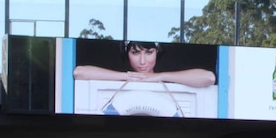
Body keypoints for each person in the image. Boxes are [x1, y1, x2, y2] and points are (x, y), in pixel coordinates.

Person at [73, 41, 216, 88]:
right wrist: (125, 76)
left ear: (157, 53)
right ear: (126, 54)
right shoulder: (124, 76)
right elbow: (79, 73)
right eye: (135, 53)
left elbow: (209, 78)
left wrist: (161, 76)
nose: (142, 61)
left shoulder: (163, 76)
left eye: (148, 53)